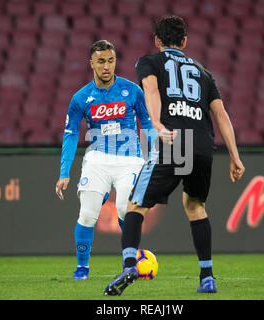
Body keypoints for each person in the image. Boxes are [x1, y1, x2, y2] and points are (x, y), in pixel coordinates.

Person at [104, 16, 245, 295]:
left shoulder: (150, 61)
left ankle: (129, 265)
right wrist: (235, 156)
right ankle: (207, 277)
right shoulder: (204, 72)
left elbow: (152, 89)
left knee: (136, 204)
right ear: (184, 42)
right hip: (204, 145)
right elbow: (220, 114)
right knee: (195, 207)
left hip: (174, 141)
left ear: (157, 41)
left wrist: (156, 123)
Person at [55, 40, 157, 280]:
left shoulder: (132, 90)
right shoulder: (80, 98)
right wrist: (64, 172)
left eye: (110, 61)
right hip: (97, 159)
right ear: (91, 63)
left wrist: (155, 156)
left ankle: (129, 264)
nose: (106, 66)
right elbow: (70, 136)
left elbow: (149, 124)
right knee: (88, 214)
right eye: (101, 61)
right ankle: (82, 268)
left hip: (130, 159)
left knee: (125, 208)